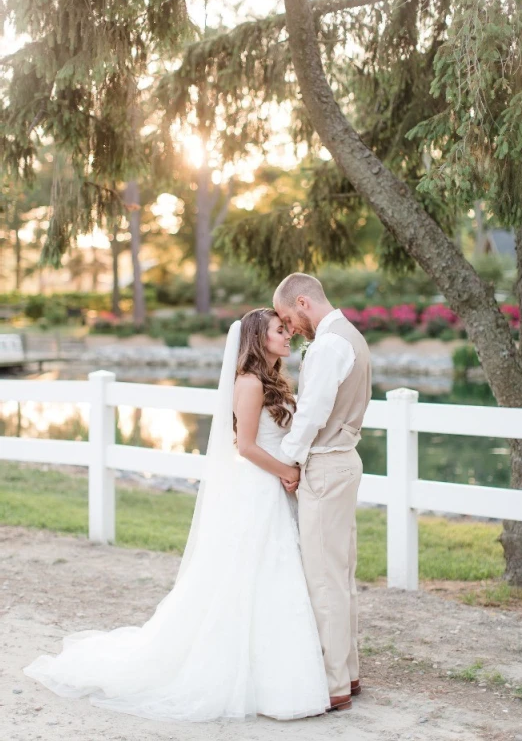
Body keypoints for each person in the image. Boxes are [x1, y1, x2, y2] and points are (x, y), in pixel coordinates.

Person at [23, 309, 330, 722]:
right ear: (260, 338)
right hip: (259, 491)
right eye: (280, 330)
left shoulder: (274, 380)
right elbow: (246, 446)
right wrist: (287, 472)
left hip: (273, 491)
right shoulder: (251, 383)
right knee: (253, 578)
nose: (288, 334)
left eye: (287, 329)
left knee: (274, 578)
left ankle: (274, 676)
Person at [273, 273, 372, 713]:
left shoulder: (329, 345)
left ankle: (333, 684)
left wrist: (290, 460)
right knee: (340, 573)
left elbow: (312, 412)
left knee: (324, 578)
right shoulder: (350, 336)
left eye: (287, 318)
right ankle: (347, 672)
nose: (290, 327)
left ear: (302, 301)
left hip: (327, 466)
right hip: (344, 462)